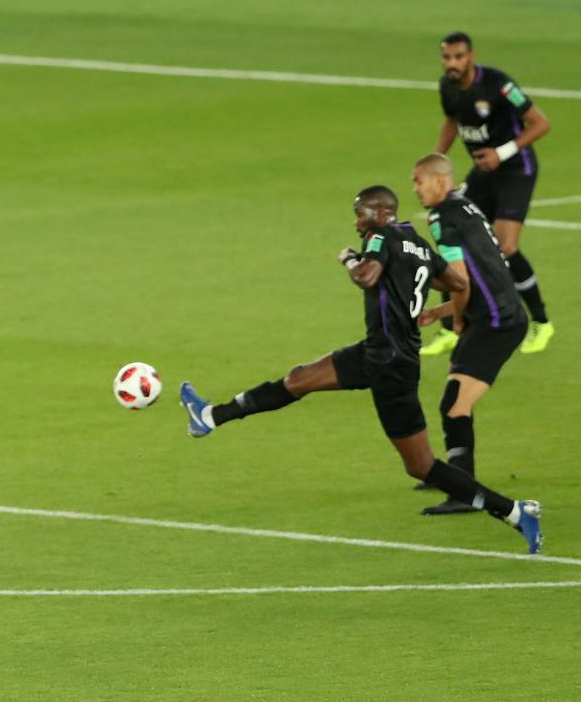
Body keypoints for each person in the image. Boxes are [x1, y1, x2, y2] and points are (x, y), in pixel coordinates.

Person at [180, 186, 543, 553]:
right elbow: (458, 283)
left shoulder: (381, 236)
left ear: (382, 213)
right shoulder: (414, 242)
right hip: (380, 353)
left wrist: (350, 260)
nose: (357, 223)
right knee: (299, 379)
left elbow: (366, 277)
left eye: (361, 214)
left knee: (421, 466)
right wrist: (417, 284)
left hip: (391, 365)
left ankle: (514, 511)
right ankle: (209, 416)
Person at [421, 31, 554, 358]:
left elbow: (540, 124)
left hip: (515, 171)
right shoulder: (446, 86)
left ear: (471, 57)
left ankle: (541, 322)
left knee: (505, 246)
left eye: (458, 57)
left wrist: (502, 151)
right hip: (483, 174)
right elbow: (452, 119)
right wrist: (436, 161)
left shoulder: (498, 84)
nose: (452, 63)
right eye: (446, 57)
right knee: (451, 234)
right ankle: (449, 329)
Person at [411, 153, 529, 514]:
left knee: (454, 404)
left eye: (419, 181)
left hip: (497, 323)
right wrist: (438, 311)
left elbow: (460, 283)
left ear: (441, 182)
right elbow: (481, 277)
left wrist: (457, 321)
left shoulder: (441, 218)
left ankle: (464, 492)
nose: (416, 189)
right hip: (499, 313)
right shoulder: (466, 207)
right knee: (453, 398)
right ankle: (448, 475)